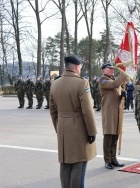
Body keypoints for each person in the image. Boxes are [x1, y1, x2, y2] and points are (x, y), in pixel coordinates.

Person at [49, 54, 97, 188]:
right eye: (80, 67)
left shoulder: (55, 83)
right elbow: (87, 110)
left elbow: (53, 111)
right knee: (78, 164)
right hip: (79, 129)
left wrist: (58, 128)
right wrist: (91, 131)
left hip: (63, 128)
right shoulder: (82, 83)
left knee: (65, 165)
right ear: (76, 67)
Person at [99, 62, 127, 169]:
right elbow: (114, 85)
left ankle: (114, 159)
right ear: (104, 70)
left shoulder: (114, 80)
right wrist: (124, 74)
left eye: (113, 68)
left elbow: (117, 91)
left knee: (115, 136)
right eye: (110, 68)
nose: (112, 70)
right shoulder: (103, 80)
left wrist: (123, 95)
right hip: (109, 111)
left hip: (117, 111)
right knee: (108, 136)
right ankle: (107, 160)